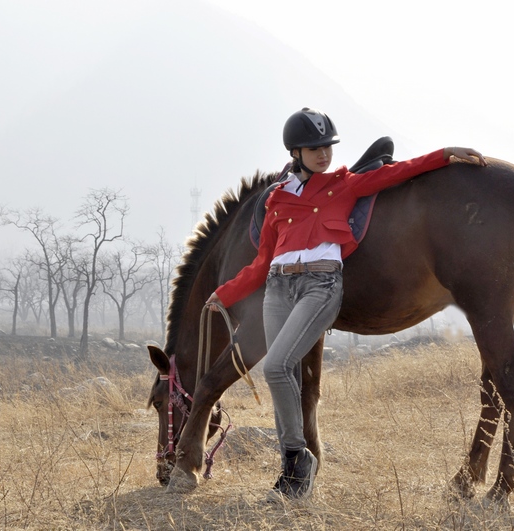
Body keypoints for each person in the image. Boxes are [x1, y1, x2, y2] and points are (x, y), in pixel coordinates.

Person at [205, 107, 487, 502]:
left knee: (276, 364)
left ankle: (298, 461)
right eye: (314, 148)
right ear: (295, 152)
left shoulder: (346, 184)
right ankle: (294, 467)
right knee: (280, 375)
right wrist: (226, 293)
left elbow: (400, 171)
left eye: (328, 147)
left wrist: (445, 154)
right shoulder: (277, 200)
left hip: (320, 286)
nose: (324, 154)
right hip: (277, 288)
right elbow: (261, 262)